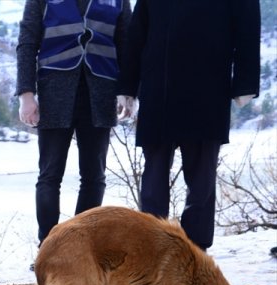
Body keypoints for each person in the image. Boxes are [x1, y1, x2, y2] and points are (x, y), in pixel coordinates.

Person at [117, 0, 260, 251]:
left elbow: (248, 26)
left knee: (202, 177)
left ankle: (196, 249)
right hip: (158, 87)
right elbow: (137, 33)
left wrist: (245, 83)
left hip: (207, 87)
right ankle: (152, 245)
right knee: (154, 175)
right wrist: (127, 87)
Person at [16, 0, 132, 256]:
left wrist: (128, 91)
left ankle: (81, 250)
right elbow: (27, 42)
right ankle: (48, 249)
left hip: (101, 93)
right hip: (54, 92)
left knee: (94, 176)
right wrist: (26, 94)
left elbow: (127, 43)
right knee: (49, 175)